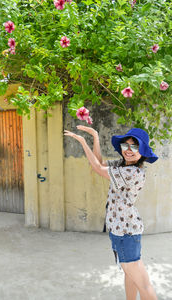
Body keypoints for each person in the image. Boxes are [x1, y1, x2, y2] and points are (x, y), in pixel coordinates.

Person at [64, 126, 158, 300]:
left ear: (142, 152)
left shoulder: (132, 172)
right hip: (121, 230)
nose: (129, 150)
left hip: (126, 232)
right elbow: (98, 163)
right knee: (129, 274)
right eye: (126, 145)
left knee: (143, 284)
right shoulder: (122, 165)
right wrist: (96, 137)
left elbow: (98, 168)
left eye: (134, 147)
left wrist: (84, 141)